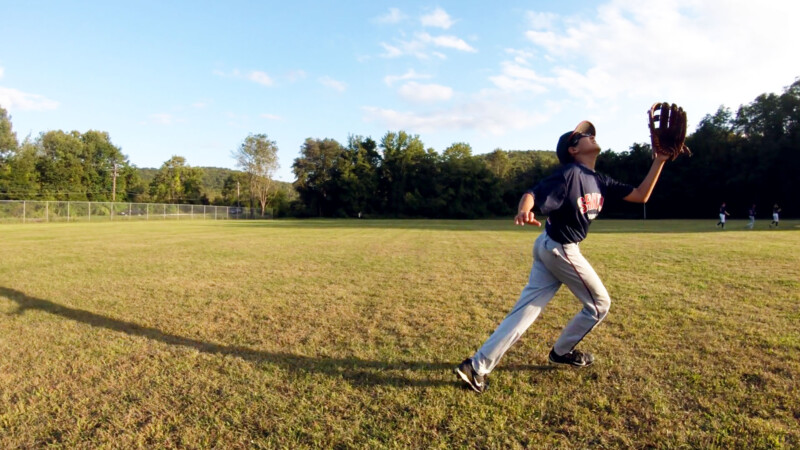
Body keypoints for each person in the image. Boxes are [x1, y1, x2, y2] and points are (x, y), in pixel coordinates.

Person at [456, 120, 671, 393]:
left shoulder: (599, 179)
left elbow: (641, 195)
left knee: (525, 312)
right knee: (600, 304)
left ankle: (476, 367)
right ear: (572, 149)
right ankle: (562, 351)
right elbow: (532, 192)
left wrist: (660, 161)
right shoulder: (570, 174)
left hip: (549, 246)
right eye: (583, 136)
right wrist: (525, 209)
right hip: (561, 248)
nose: (590, 136)